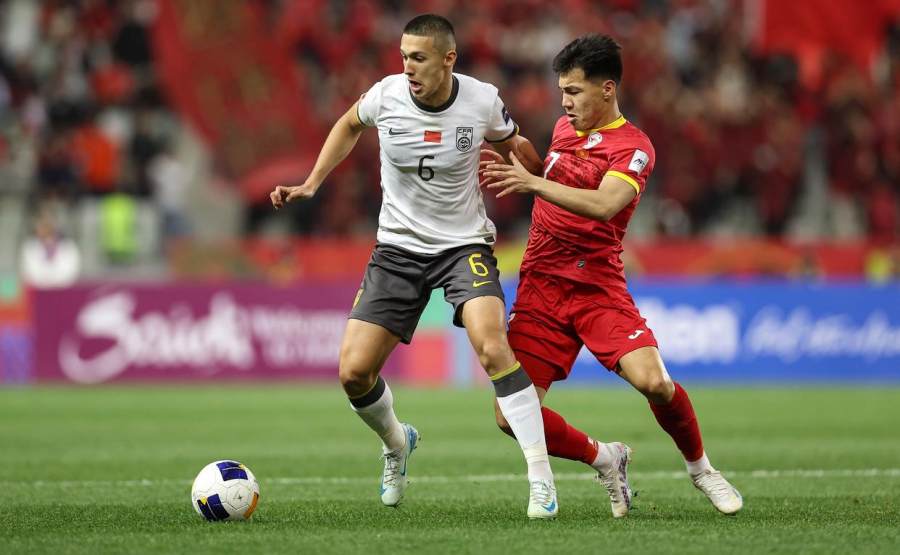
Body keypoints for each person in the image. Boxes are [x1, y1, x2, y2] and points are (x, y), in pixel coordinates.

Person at [270, 14, 558, 519]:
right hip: (397, 249)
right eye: (404, 56)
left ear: (448, 59)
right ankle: (397, 442)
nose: (407, 67)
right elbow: (348, 124)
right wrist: (313, 182)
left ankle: (541, 480)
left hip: (463, 246)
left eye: (418, 58)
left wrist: (536, 171)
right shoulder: (385, 96)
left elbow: (511, 141)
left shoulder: (481, 100)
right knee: (354, 373)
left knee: (493, 347)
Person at [481, 34, 743, 518]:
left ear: (607, 89)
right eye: (562, 91)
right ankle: (605, 457)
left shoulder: (634, 147)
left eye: (574, 91)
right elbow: (553, 180)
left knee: (655, 383)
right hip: (541, 285)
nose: (565, 102)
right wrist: (525, 167)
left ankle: (702, 469)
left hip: (596, 286)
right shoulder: (564, 129)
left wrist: (533, 182)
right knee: (509, 414)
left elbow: (605, 204)